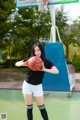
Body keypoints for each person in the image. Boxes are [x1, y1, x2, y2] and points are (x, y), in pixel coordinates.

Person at [15, 42, 59, 120]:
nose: (37, 52)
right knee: (29, 107)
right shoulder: (30, 60)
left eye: (38, 50)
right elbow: (17, 63)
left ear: (41, 50)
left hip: (37, 87)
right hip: (27, 85)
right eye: (35, 51)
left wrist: (45, 69)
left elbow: (56, 71)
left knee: (42, 108)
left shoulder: (46, 62)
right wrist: (24, 64)